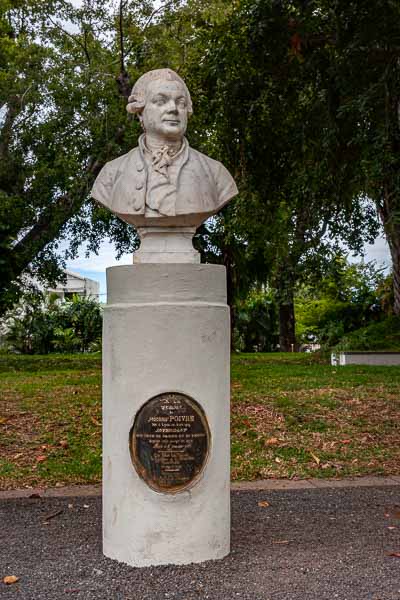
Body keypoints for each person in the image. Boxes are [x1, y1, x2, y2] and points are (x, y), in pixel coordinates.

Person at [91, 68, 238, 228]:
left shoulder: (216, 173)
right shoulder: (111, 173)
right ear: (140, 112)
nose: (173, 109)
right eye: (160, 101)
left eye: (180, 103)